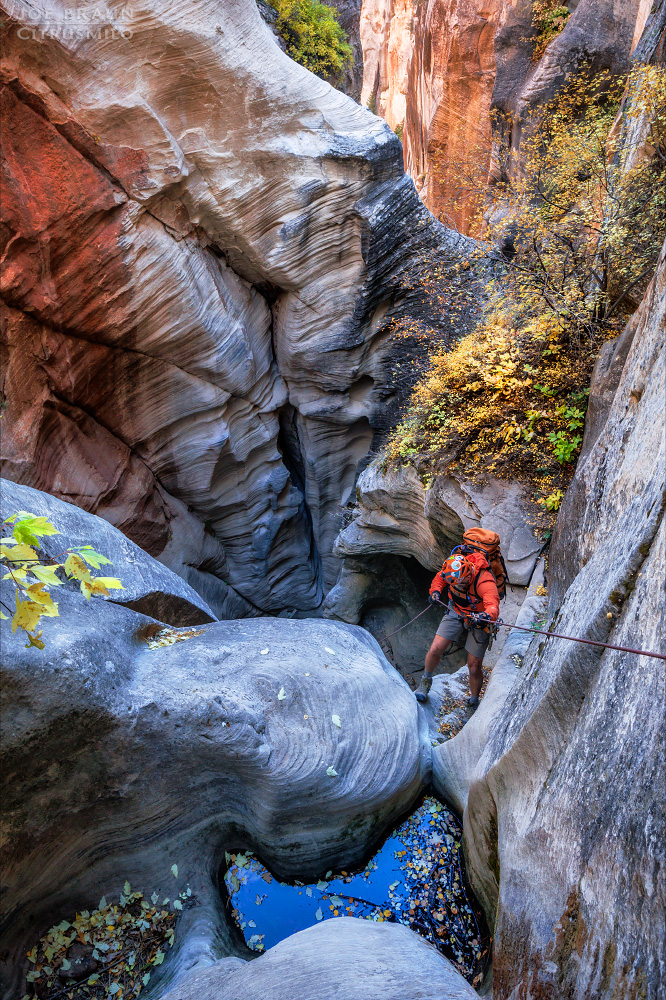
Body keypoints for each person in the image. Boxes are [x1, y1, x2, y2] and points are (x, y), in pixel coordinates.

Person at [415, 549, 500, 706]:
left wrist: (486, 616)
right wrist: (435, 591)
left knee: (474, 665)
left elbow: (492, 605)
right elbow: (440, 578)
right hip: (456, 610)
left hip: (478, 618)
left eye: (459, 583)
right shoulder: (452, 570)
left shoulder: (484, 581)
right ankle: (424, 684)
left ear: (467, 576)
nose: (456, 586)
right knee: (435, 649)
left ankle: (474, 700)